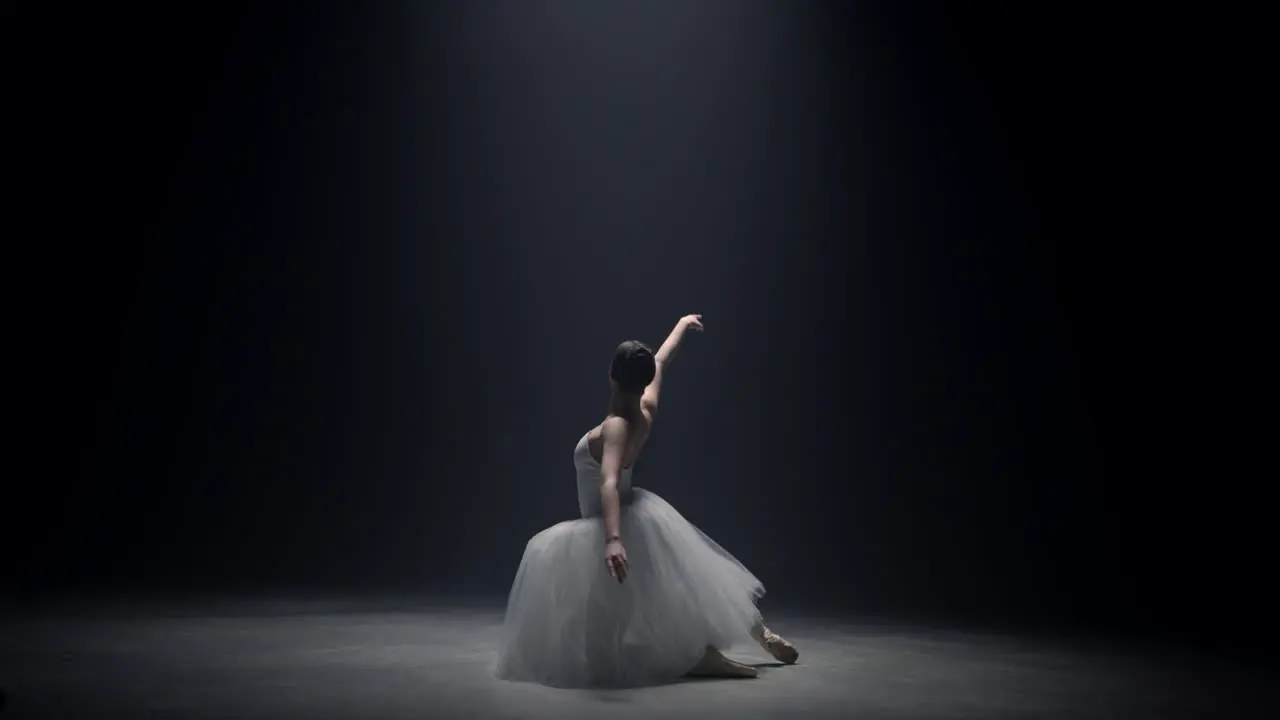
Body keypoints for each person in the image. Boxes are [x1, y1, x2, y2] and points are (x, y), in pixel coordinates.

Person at [493, 314, 798, 688]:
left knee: (620, 614)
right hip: (638, 509)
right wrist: (682, 326)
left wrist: (613, 539)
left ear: (610, 377)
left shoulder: (616, 426)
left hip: (609, 520)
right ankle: (750, 636)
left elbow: (607, 482)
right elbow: (663, 359)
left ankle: (698, 655)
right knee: (687, 581)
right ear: (643, 380)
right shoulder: (646, 408)